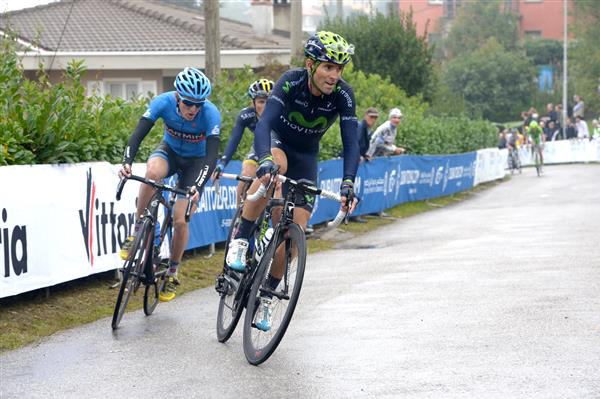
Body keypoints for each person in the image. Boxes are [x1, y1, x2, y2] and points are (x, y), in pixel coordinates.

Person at [225, 31, 360, 331]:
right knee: (276, 167)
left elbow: (352, 144)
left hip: (307, 156)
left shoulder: (343, 95)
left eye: (338, 69)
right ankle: (241, 238)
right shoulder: (291, 81)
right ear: (311, 65)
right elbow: (265, 124)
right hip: (277, 142)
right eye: (328, 67)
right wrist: (263, 160)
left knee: (293, 235)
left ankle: (268, 297)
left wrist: (348, 183)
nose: (333, 75)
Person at [119, 67, 220, 302]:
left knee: (180, 218)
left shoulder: (211, 114)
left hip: (196, 164)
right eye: (188, 103)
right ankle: (136, 231)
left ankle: (173, 270)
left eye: (199, 104)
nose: (193, 109)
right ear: (177, 97)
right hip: (170, 153)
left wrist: (198, 184)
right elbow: (138, 134)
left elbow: (212, 155)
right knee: (152, 172)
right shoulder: (162, 102)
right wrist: (127, 162)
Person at [211, 79, 274, 204]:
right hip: (258, 150)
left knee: (277, 184)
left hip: (278, 150)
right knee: (246, 174)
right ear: (253, 103)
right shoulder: (246, 116)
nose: (266, 106)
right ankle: (239, 214)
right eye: (261, 101)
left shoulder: (281, 115)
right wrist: (222, 163)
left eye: (269, 102)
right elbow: (234, 141)